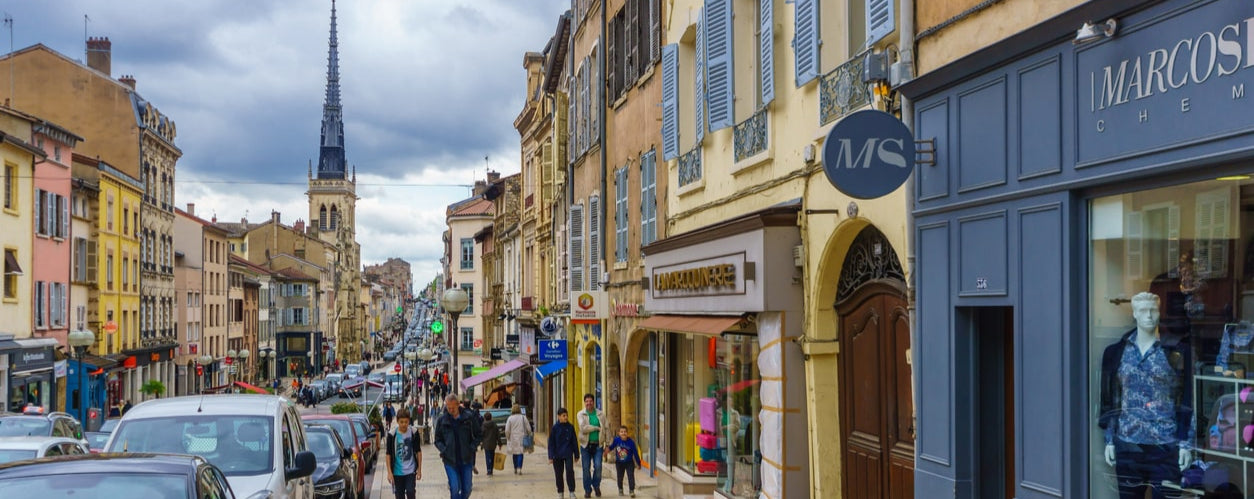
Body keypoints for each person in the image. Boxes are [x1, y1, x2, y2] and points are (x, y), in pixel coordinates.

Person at [1099, 291, 1193, 499]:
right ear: (1134, 314)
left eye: (1153, 310)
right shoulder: (1117, 352)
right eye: (1143, 310)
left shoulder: (1176, 351)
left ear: (1159, 313)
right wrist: (1109, 440)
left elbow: (1188, 397)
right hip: (1128, 445)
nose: (1148, 316)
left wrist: (1186, 444)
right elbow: (1110, 398)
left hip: (1165, 445)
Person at [434, 393, 481, 499]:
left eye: (453, 408)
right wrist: (444, 449)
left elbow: (479, 434)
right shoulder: (442, 420)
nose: (450, 410)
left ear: (458, 404)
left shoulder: (468, 418)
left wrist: (472, 447)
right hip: (450, 459)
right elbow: (437, 439)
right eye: (448, 407)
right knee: (454, 487)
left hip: (466, 458)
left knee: (467, 488)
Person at [386, 409, 423, 499]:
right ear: (397, 421)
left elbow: (418, 451)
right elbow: (388, 454)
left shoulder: (414, 433)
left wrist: (419, 469)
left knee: (410, 492)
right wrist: (389, 472)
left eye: (406, 422)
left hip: (411, 470)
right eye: (401, 422)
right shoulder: (392, 435)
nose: (404, 424)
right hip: (397, 472)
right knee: (399, 495)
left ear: (409, 421)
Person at [576, 394, 607, 497]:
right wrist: (596, 428)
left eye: (590, 401)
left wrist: (608, 445)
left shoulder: (601, 414)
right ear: (584, 402)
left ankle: (596, 485)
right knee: (586, 468)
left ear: (594, 402)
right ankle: (587, 490)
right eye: (587, 401)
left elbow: (606, 428)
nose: (588, 403)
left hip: (598, 445)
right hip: (585, 445)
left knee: (598, 467)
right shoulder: (581, 414)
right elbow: (583, 428)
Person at [548, 408, 579, 499]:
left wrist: (576, 454)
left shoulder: (570, 427)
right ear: (559, 417)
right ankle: (560, 492)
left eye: (566, 415)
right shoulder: (555, 428)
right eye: (563, 416)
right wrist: (550, 456)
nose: (565, 417)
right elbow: (551, 443)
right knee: (558, 474)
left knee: (570, 471)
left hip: (568, 453)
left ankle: (572, 491)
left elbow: (574, 441)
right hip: (557, 454)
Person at [605, 426, 642, 497]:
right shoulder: (616, 440)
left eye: (625, 432)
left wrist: (638, 463)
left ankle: (631, 490)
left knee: (630, 476)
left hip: (629, 462)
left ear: (627, 433)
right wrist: (607, 450)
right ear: (619, 433)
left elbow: (635, 453)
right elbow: (612, 446)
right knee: (620, 477)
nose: (623, 433)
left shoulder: (631, 442)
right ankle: (620, 489)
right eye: (621, 432)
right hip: (619, 463)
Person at [502, 404, 532, 475]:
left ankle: (515, 468)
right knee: (520, 453)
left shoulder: (510, 418)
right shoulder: (523, 417)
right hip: (521, 437)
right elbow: (528, 428)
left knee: (514, 453)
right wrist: (529, 434)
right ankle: (519, 468)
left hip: (513, 438)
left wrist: (508, 437)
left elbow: (507, 430)